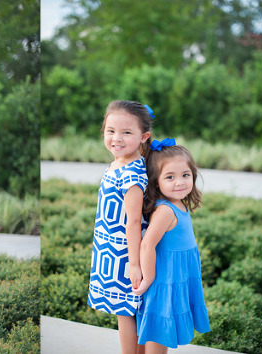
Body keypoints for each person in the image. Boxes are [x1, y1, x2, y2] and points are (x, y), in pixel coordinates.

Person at [87, 100, 153, 354]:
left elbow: (134, 221)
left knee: (126, 313)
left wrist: (135, 265)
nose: (117, 138)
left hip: (125, 255)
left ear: (143, 137)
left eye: (127, 132)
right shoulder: (119, 163)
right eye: (111, 131)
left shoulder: (132, 175)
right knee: (124, 312)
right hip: (111, 250)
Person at [133, 140, 210, 353]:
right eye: (170, 177)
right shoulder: (166, 211)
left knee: (158, 334)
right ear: (156, 182)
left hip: (177, 277)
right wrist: (148, 278)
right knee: (159, 334)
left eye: (185, 175)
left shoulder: (179, 204)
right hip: (164, 281)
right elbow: (147, 244)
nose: (180, 182)